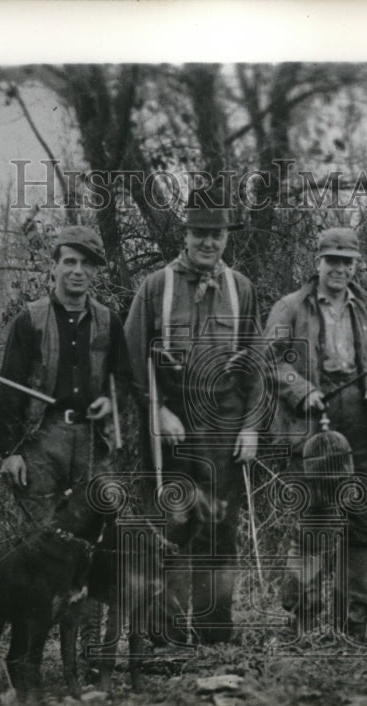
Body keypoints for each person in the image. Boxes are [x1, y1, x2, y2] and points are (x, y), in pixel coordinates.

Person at [124, 205, 263, 645]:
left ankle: (214, 632)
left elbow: (259, 365)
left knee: (220, 527)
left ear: (227, 237)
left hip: (223, 423)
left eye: (216, 234)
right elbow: (131, 360)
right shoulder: (156, 286)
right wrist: (156, 410)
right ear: (185, 235)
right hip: (171, 423)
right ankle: (162, 634)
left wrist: (251, 427)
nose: (208, 242)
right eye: (199, 233)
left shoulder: (241, 288)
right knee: (170, 525)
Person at [0, 225, 132, 665]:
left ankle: (90, 657)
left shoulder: (109, 319)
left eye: (86, 264)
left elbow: (124, 381)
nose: (76, 271)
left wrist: (107, 404)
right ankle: (26, 660)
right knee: (41, 547)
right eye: (68, 261)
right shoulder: (29, 319)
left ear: (95, 272)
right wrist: (10, 451)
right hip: (41, 439)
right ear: (53, 266)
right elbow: (9, 389)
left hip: (91, 440)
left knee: (95, 546)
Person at [264, 227, 367, 638]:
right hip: (311, 428)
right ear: (317, 262)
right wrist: (301, 390)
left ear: (356, 265)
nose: (339, 268)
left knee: (360, 521)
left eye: (347, 261)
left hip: (360, 423)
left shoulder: (366, 310)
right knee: (313, 522)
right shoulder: (290, 307)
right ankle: (303, 622)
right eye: (332, 260)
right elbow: (271, 362)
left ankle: (353, 623)